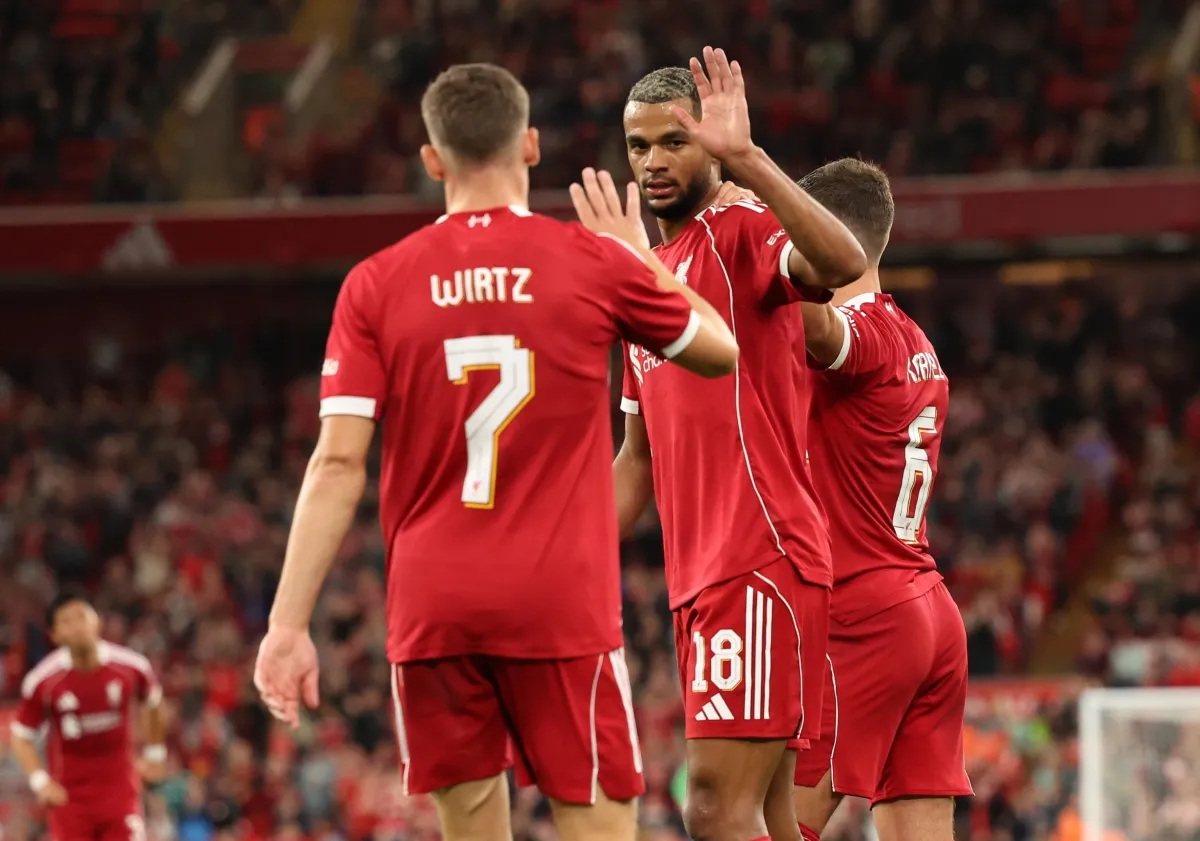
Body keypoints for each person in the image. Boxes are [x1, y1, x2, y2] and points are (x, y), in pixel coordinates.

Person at [252, 62, 741, 841]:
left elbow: (337, 463)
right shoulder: (591, 261)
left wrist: (287, 624)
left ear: (432, 159)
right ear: (531, 145)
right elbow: (720, 350)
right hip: (560, 601)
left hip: (434, 607)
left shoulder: (374, 285)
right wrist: (636, 252)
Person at [615, 48, 868, 841]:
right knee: (770, 818)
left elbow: (842, 263)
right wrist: (553, 553)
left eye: (674, 141)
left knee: (714, 808)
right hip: (702, 579)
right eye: (638, 146)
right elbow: (636, 461)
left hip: (757, 558)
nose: (654, 162)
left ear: (709, 146)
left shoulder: (741, 229)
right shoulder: (648, 277)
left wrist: (749, 160)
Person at [789, 159, 973, 841]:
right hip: (929, 609)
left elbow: (817, 329)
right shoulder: (916, 341)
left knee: (765, 824)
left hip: (861, 614)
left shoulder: (860, 335)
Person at [11, 589, 168, 841]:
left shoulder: (131, 667)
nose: (77, 626)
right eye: (67, 621)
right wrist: (40, 781)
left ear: (97, 621)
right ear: (54, 635)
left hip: (120, 795)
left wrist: (156, 753)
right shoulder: (43, 681)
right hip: (70, 801)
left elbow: (154, 702)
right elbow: (21, 736)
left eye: (82, 616)